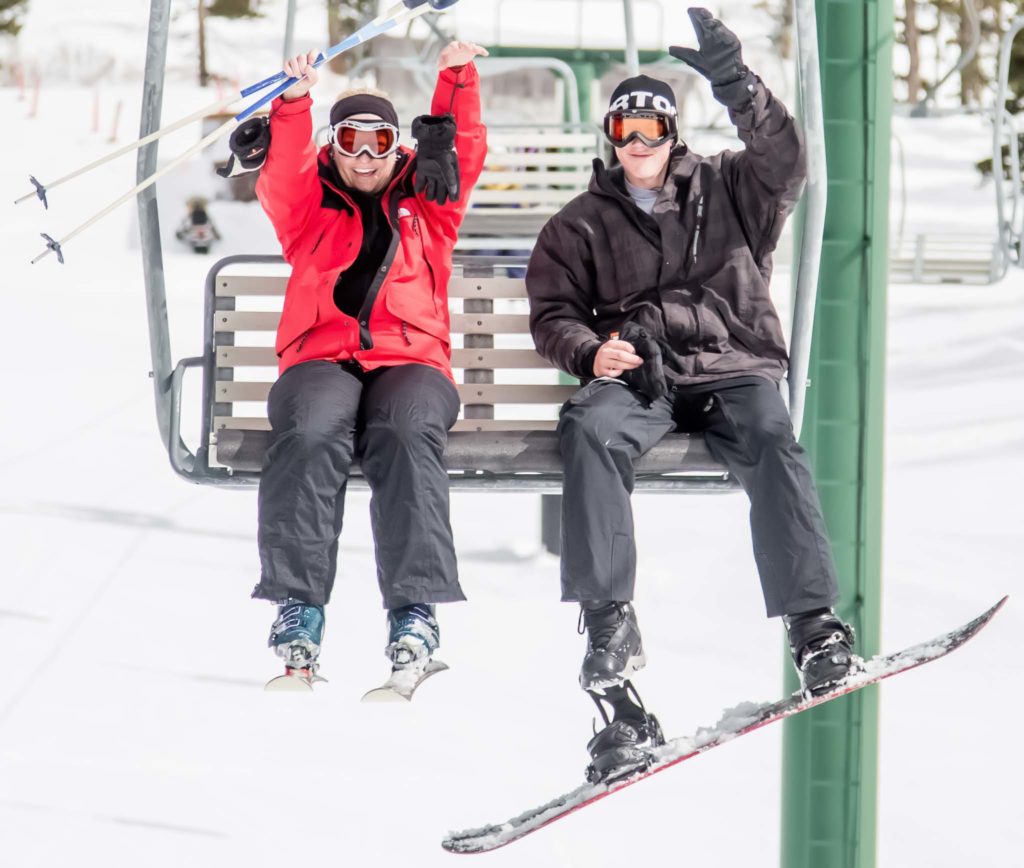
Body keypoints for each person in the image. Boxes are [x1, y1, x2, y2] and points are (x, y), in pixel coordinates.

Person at [525, 8, 855, 782]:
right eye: (625, 132)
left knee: (774, 442)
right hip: (646, 374)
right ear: (610, 138)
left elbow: (786, 158)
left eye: (652, 130)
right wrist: (587, 349)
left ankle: (814, 628)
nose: (638, 146)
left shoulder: (731, 188)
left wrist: (739, 87)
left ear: (673, 133)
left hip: (734, 363)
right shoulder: (580, 225)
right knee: (590, 429)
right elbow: (552, 313)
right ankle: (609, 624)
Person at [248, 41, 488, 685]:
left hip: (410, 356)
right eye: (349, 141)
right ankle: (299, 605)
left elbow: (462, 148)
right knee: (309, 430)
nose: (362, 157)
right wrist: (294, 101)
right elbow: (284, 173)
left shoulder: (430, 200)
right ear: (334, 144)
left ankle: (415, 608)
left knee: (407, 433)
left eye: (378, 142)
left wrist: (455, 77)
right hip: (321, 355)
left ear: (394, 147)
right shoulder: (308, 205)